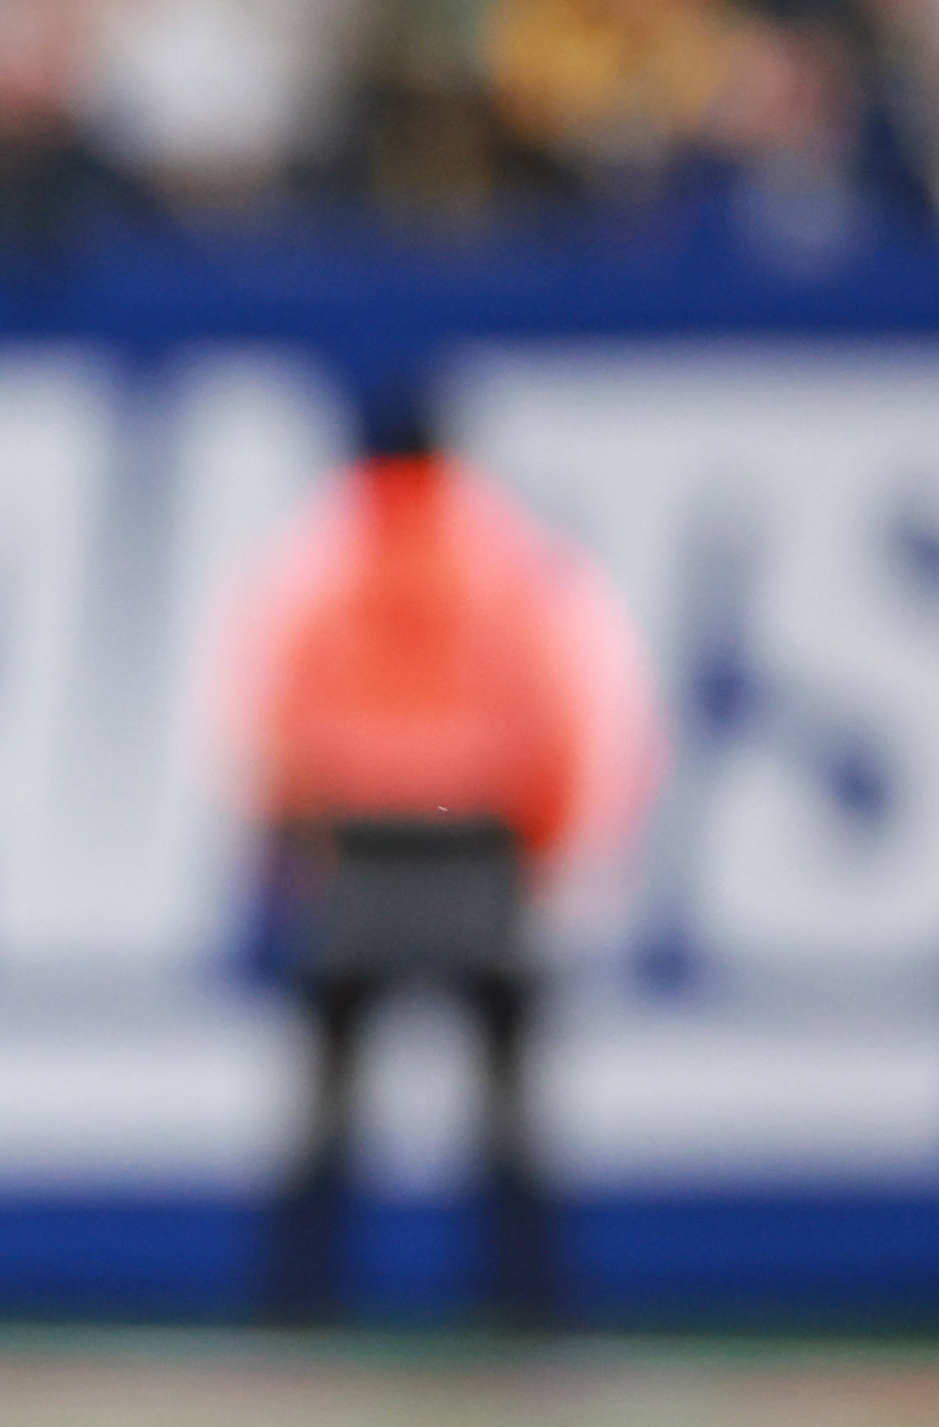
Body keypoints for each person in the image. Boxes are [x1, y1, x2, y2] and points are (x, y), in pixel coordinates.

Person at [241, 381, 658, 1328]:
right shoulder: (507, 560)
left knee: (326, 1106)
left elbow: (275, 718)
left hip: (361, 846)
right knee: (509, 1106)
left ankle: (294, 1314)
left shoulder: (322, 561)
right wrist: (547, 846)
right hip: (478, 843)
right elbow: (567, 709)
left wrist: (291, 841)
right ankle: (527, 1314)